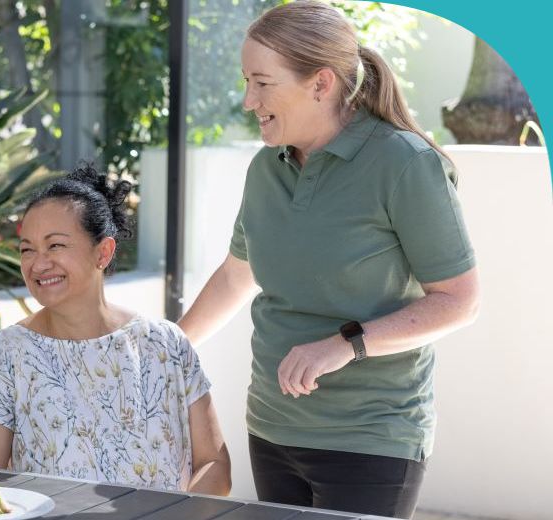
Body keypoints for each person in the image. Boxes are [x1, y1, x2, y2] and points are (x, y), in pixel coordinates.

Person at [177, 1, 480, 517]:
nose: (248, 100)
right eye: (246, 81)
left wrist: (346, 344)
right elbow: (236, 275)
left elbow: (458, 301)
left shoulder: (405, 164)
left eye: (262, 82)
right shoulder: (265, 169)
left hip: (371, 436)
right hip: (271, 428)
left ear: (320, 84)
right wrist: (168, 347)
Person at [0, 165, 231, 495]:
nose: (38, 263)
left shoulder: (166, 344)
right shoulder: (2, 357)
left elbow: (214, 464)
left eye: (55, 246)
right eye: (27, 249)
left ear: (103, 252)